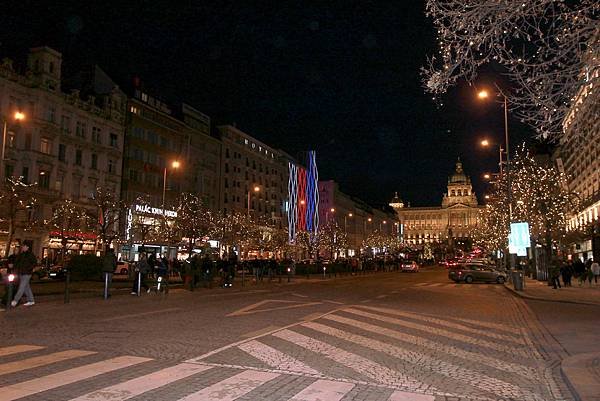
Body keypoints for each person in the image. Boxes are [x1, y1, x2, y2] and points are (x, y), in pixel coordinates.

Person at [11, 243, 37, 307]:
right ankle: (31, 300)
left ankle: (15, 300)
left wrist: (29, 269)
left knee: (22, 287)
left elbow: (34, 263)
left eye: (24, 246)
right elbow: (18, 263)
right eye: (22, 246)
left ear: (27, 247)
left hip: (27, 273)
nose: (22, 247)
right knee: (26, 287)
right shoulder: (21, 254)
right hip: (21, 273)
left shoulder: (30, 254)